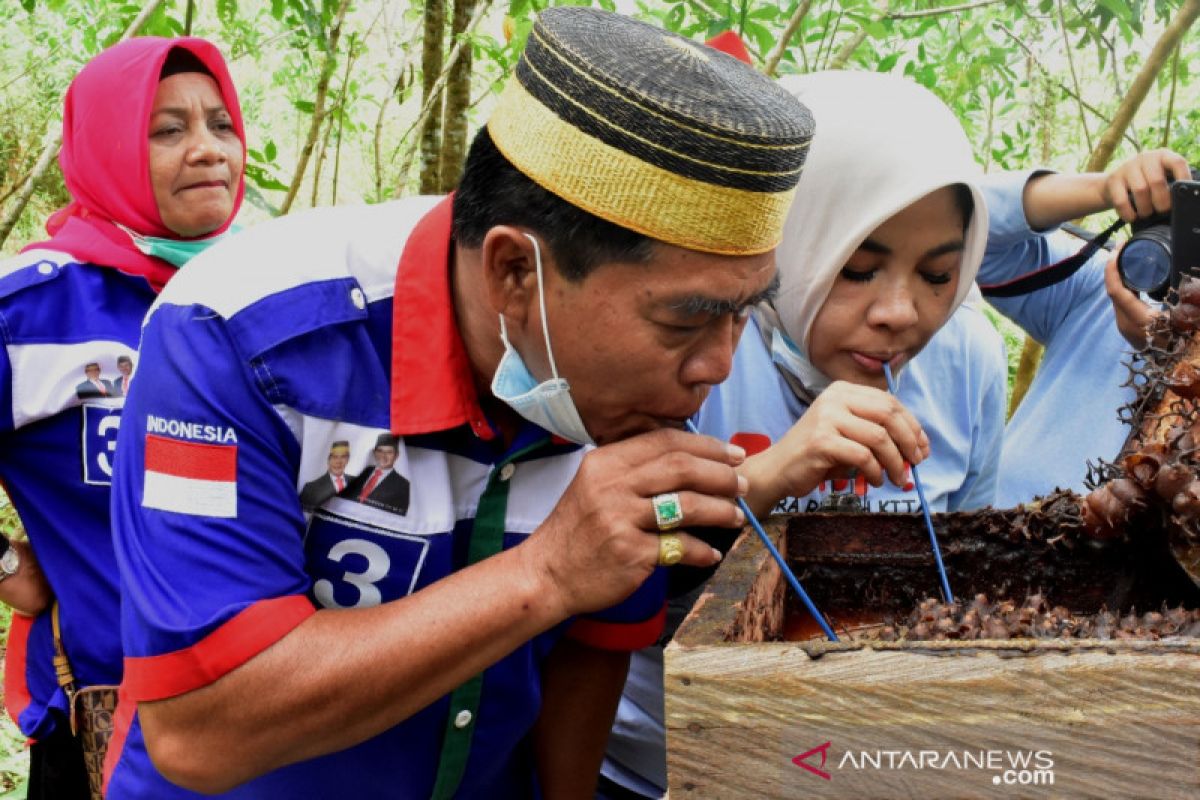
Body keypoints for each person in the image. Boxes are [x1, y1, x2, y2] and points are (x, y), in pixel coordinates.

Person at [104, 9, 822, 797]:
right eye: (685, 320)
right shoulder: (235, 334)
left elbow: (598, 639)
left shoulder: (637, 383)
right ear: (516, 271)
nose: (717, 366)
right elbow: (200, 731)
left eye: (744, 310)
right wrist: (545, 572)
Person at [601, 68, 1008, 799]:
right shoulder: (692, 352)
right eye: (857, 268)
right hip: (658, 762)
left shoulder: (967, 363)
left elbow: (966, 549)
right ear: (786, 245)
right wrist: (763, 479)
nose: (900, 312)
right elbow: (601, 560)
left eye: (939, 275)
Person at [0, 37, 245, 800]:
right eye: (167, 130)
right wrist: (6, 566)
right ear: (106, 146)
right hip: (101, 722)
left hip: (274, 718)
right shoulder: (36, 309)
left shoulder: (271, 291)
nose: (206, 151)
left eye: (220, 124)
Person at [976, 150, 1192, 506]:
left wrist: (1181, 359)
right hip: (987, 543)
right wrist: (1107, 190)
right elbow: (964, 230)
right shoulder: (1106, 287)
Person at [344, 433, 411, 514]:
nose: (383, 456)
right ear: (374, 452)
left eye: (389, 452)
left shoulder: (403, 484)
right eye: (380, 451)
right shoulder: (360, 471)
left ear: (396, 455)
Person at [299, 440, 352, 509]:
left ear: (348, 459)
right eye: (335, 457)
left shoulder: (358, 482)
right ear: (328, 460)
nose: (338, 462)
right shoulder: (310, 488)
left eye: (343, 457)